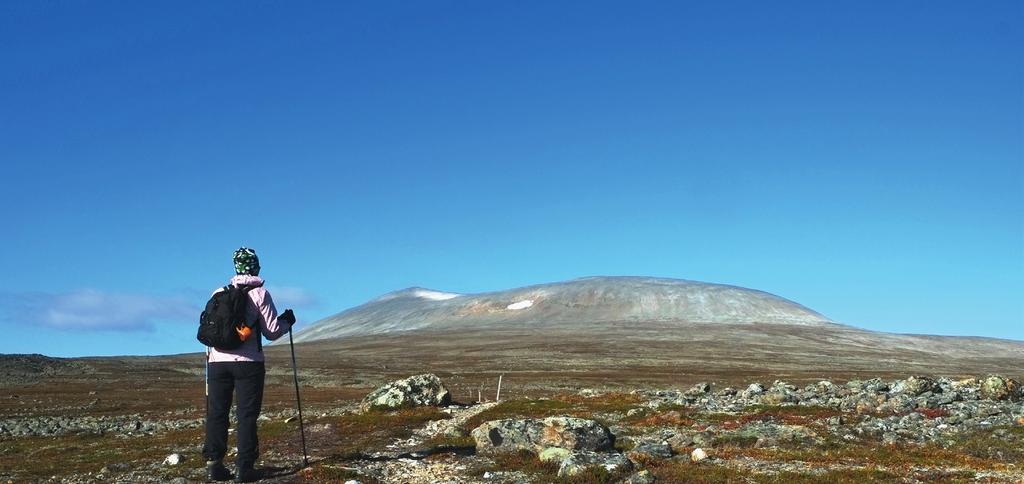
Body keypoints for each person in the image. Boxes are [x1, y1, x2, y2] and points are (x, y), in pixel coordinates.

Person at [203, 247, 296, 482]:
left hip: (217, 363)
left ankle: (214, 465)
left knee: (217, 413)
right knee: (246, 415)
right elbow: (272, 331)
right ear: (256, 267)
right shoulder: (260, 294)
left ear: (236, 268)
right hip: (248, 364)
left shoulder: (218, 292)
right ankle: (244, 468)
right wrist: (287, 321)